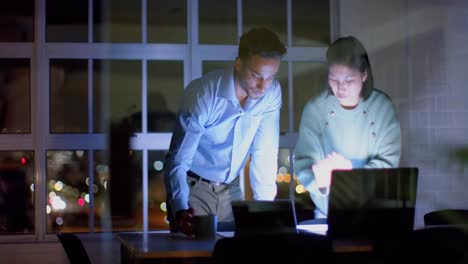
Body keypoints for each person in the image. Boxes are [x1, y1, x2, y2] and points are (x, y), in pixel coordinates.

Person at [164, 27, 287, 236]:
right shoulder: (202, 95)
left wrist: (265, 210)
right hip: (194, 188)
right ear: (238, 65)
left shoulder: (271, 94)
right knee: (196, 254)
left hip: (232, 190)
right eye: (256, 75)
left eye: (270, 77)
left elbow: (264, 153)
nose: (262, 86)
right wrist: (181, 209)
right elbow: (177, 160)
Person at [293, 36, 401, 218]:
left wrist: (347, 174)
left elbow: (388, 163)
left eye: (349, 80)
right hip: (326, 211)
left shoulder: (381, 107)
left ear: (364, 74)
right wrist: (321, 179)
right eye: (333, 79)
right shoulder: (316, 109)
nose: (340, 88)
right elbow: (305, 162)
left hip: (372, 210)